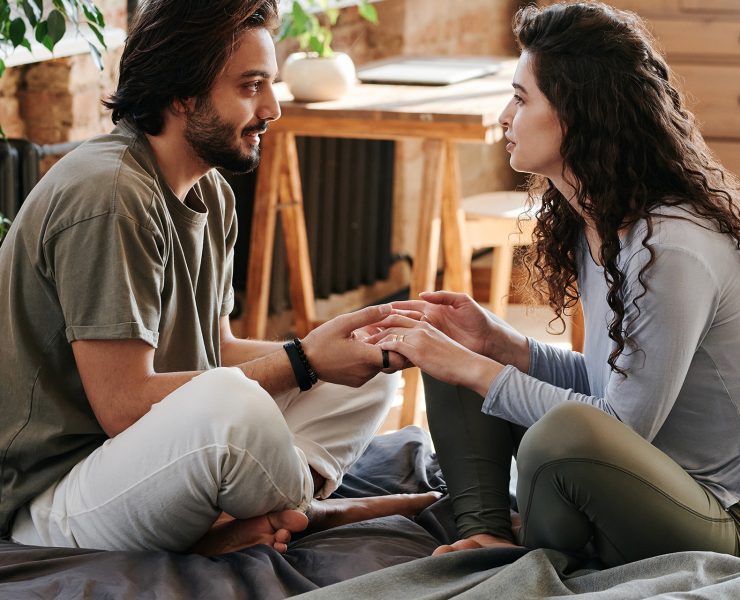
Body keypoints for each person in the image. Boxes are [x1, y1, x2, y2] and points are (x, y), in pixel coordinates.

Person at [0, 0, 438, 556]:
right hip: (52, 497)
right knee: (233, 404)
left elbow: (217, 349)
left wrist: (330, 351)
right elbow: (124, 404)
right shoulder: (111, 195)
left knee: (370, 370)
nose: (273, 107)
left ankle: (264, 516)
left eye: (270, 83)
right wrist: (303, 360)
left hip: (143, 461)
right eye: (251, 85)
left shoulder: (211, 191)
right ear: (183, 94)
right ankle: (312, 510)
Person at [365, 1, 740, 567]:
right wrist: (498, 346)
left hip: (711, 514)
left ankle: (532, 542)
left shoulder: (671, 249)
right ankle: (486, 534)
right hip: (627, 483)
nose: (503, 117)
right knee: (454, 345)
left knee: (551, 432)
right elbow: (605, 388)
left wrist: (478, 368)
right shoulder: (596, 222)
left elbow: (614, 429)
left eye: (520, 99)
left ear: (577, 113)